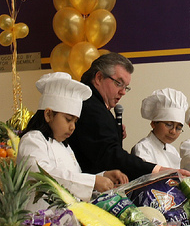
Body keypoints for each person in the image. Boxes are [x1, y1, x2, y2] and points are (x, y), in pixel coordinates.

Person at [17, 72, 128, 211]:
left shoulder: (65, 146)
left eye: (75, 121)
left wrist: (102, 176)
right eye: (68, 119)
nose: (72, 127)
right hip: (38, 222)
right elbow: (43, 174)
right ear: (48, 114)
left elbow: (73, 178)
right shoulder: (32, 140)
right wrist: (92, 182)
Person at [69, 53, 166, 181]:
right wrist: (156, 170)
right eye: (118, 83)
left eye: (126, 87)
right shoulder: (91, 107)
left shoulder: (97, 105)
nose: (123, 92)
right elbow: (109, 155)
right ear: (98, 78)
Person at [131, 88, 188, 169]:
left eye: (178, 128)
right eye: (169, 125)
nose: (173, 131)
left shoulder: (173, 151)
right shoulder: (143, 148)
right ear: (154, 123)